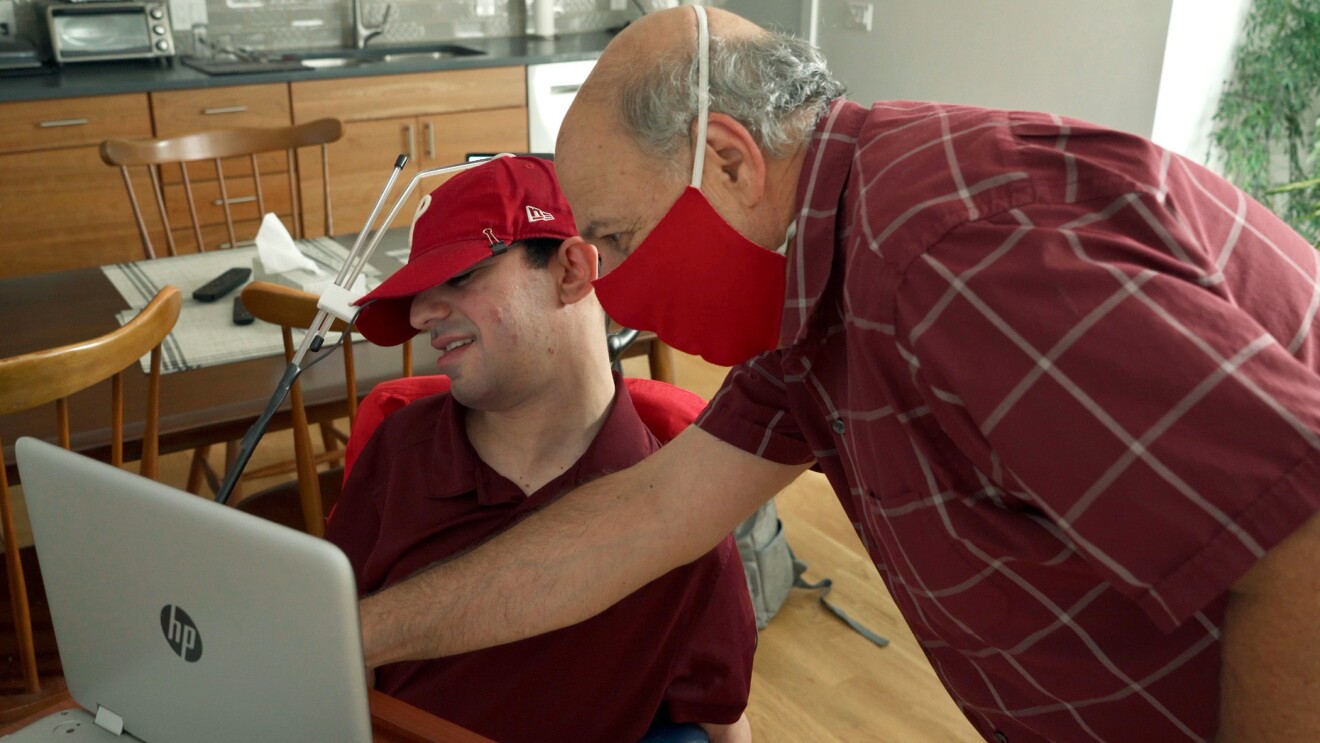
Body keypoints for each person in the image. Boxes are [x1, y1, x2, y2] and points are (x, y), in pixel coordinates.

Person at [355, 8, 1320, 743]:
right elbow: (641, 517)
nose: (623, 295)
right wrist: (351, 631)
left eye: (620, 237)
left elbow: (1301, 530)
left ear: (730, 161)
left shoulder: (947, 249)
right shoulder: (810, 298)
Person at [329, 155, 756, 743]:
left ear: (572, 270)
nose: (422, 314)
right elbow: (332, 658)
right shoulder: (399, 449)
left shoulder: (681, 517)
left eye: (460, 278)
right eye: (420, 293)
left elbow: (720, 721)